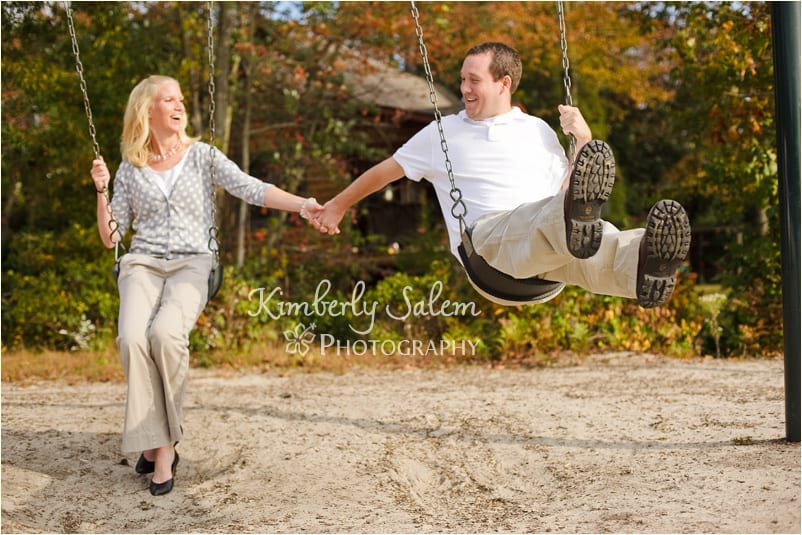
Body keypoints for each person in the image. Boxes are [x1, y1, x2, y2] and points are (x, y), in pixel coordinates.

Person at [311, 42, 691, 309]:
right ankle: (566, 228)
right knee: (548, 222)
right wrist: (338, 205)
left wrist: (584, 139)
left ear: (503, 83)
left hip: (543, 263)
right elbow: (385, 171)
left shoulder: (538, 130)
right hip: (488, 251)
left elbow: (571, 191)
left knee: (591, 242)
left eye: (473, 80)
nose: (463, 88)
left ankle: (644, 264)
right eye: (462, 79)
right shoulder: (443, 132)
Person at [90, 75, 322, 496]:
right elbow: (112, 236)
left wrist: (303, 204)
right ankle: (161, 443)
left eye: (181, 100)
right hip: (141, 263)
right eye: (169, 100)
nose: (180, 106)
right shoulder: (130, 166)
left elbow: (251, 188)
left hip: (192, 263)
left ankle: (161, 449)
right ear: (147, 110)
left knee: (165, 334)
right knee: (131, 339)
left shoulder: (202, 156)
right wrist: (103, 191)